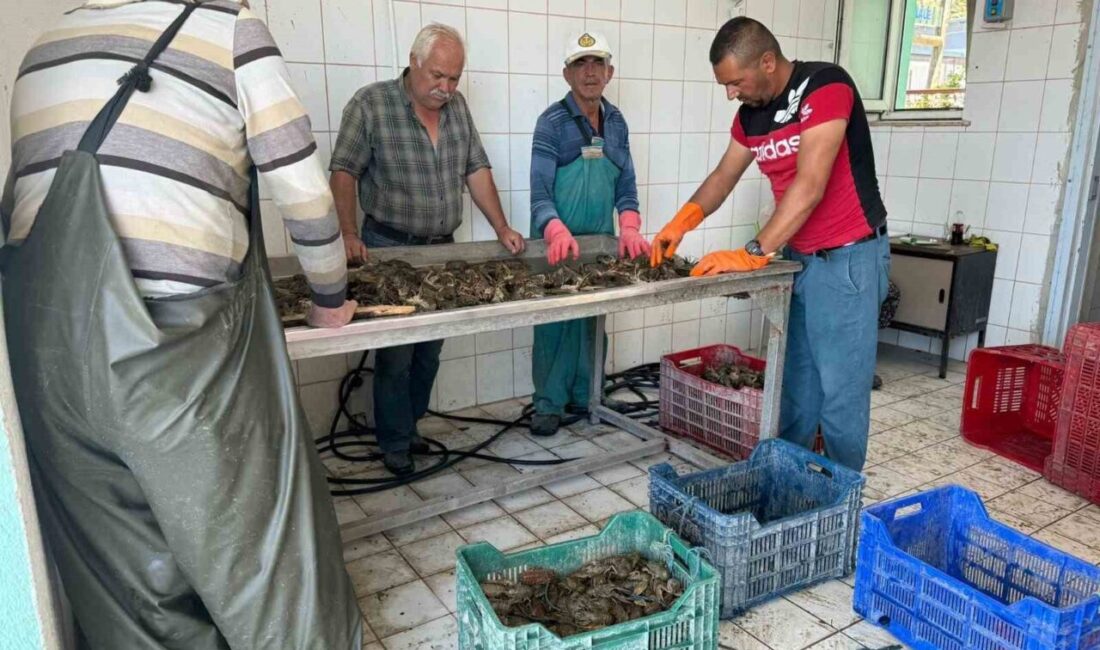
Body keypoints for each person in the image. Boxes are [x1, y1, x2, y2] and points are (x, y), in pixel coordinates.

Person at [1, 1, 362, 648]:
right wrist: (330, 296)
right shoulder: (228, 29)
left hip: (46, 355)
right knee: (263, 565)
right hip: (175, 356)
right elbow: (304, 194)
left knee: (130, 593)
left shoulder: (41, 51)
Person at [650, 17, 890, 471]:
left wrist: (753, 253)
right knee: (796, 392)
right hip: (799, 260)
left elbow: (811, 184)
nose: (731, 93)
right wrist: (681, 222)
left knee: (839, 397)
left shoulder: (825, 86)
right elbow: (724, 176)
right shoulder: (751, 115)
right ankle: (789, 489)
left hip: (848, 260)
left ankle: (839, 503)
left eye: (735, 82)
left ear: (766, 61)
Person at [330, 23, 525, 475]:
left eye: (454, 78)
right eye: (438, 75)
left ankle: (410, 426)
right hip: (388, 248)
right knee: (395, 354)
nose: (446, 87)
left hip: (442, 252)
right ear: (413, 62)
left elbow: (476, 170)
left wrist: (501, 226)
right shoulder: (371, 104)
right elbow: (343, 171)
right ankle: (394, 441)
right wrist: (346, 232)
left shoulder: (457, 109)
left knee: (428, 352)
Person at [527, 32, 650, 437]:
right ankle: (547, 404)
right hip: (555, 243)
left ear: (610, 72)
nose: (590, 72)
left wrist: (629, 224)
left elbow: (626, 184)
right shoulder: (552, 123)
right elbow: (540, 191)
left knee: (592, 323)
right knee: (554, 324)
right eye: (581, 64)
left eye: (597, 63)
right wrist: (554, 227)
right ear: (567, 74)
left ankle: (587, 395)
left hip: (599, 242)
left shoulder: (617, 123)